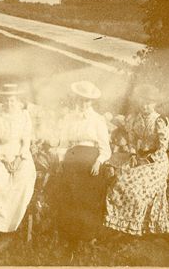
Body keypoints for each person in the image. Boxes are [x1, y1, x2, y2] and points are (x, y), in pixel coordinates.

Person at [104, 83, 169, 236]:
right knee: (120, 181)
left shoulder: (160, 121)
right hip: (138, 157)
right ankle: (120, 224)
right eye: (143, 102)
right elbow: (131, 140)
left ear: (155, 103)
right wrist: (134, 154)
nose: (145, 106)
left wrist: (149, 159)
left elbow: (163, 147)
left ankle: (140, 225)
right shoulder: (134, 119)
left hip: (156, 162)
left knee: (139, 189)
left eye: (149, 102)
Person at [49, 80, 112, 241]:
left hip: (90, 159)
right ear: (76, 100)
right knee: (69, 194)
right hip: (71, 158)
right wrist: (62, 160)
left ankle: (87, 234)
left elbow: (105, 147)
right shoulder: (70, 118)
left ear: (91, 102)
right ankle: (69, 233)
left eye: (86, 100)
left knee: (87, 197)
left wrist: (98, 162)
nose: (83, 103)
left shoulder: (98, 120)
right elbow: (64, 144)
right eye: (80, 99)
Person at [0, 83, 36, 234]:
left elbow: (26, 140)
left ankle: (12, 223)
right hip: (0, 154)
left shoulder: (24, 116)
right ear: (2, 100)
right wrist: (2, 159)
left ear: (17, 101)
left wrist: (19, 158)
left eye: (12, 100)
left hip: (19, 153)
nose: (9, 103)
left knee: (22, 180)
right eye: (6, 100)